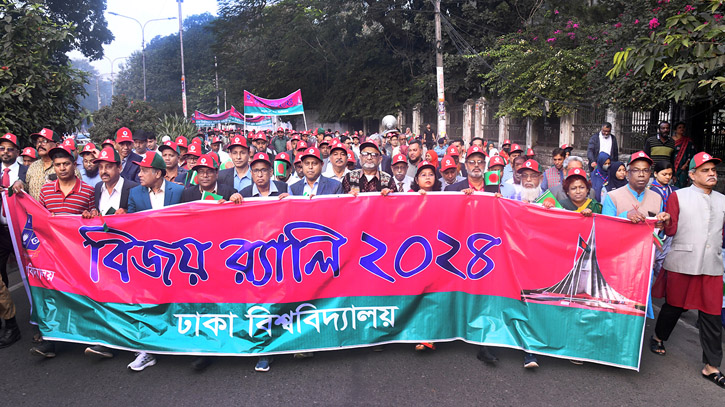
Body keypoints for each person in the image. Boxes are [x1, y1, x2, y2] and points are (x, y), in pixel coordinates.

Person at [651, 151, 724, 389]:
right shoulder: (678, 196)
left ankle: (711, 365)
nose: (711, 174)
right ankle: (658, 337)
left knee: (712, 314)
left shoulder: (723, 200)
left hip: (711, 265)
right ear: (692, 175)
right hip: (683, 261)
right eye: (705, 170)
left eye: (713, 170)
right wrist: (665, 221)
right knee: (674, 306)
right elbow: (670, 229)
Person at [30, 144, 94, 358]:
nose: (62, 168)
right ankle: (51, 340)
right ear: (54, 168)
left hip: (79, 256)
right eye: (58, 165)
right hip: (52, 253)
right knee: (52, 295)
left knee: (82, 294)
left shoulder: (87, 190)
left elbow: (94, 218)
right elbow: (39, 219)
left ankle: (88, 334)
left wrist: (90, 214)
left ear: (74, 165)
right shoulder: (46, 191)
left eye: (66, 163)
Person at [124, 151, 184, 371]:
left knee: (174, 301)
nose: (139, 174)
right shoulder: (134, 194)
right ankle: (146, 351)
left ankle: (178, 343)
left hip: (174, 260)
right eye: (139, 170)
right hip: (146, 261)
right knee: (146, 304)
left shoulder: (178, 191)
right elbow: (128, 225)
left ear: (158, 173)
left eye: (144, 170)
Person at [601, 151, 664, 222]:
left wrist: (662, 225)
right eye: (636, 170)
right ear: (627, 174)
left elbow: (658, 230)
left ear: (650, 174)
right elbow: (606, 226)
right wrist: (625, 216)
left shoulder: (657, 198)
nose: (641, 174)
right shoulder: (612, 197)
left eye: (645, 170)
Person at [0, 133, 27, 289]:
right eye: (2, 148)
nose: (5, 152)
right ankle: (7, 311)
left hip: (21, 231)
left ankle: (35, 307)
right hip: (1, 232)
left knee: (30, 271)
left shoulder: (26, 172)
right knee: (1, 279)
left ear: (17, 152)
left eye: (10, 149)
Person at [90, 146, 139, 216]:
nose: (103, 171)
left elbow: (140, 216)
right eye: (100, 167)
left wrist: (128, 214)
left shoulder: (133, 189)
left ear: (119, 168)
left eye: (108, 167)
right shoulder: (98, 187)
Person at [649, 161, 678, 277]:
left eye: (670, 175)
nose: (667, 177)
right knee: (654, 261)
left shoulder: (675, 190)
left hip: (670, 230)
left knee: (667, 261)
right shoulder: (650, 190)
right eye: (664, 174)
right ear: (655, 174)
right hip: (656, 230)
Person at [24, 128, 65, 200]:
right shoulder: (33, 166)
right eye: (38, 142)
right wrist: (19, 183)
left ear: (57, 144)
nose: (40, 144)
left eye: (44, 141)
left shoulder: (66, 166)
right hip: (35, 211)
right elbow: (26, 189)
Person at [671, 121, 696, 188]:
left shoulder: (688, 141)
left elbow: (692, 154)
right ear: (675, 130)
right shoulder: (670, 140)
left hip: (683, 167)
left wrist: (686, 164)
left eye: (683, 127)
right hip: (671, 165)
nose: (682, 129)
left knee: (682, 185)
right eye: (679, 127)